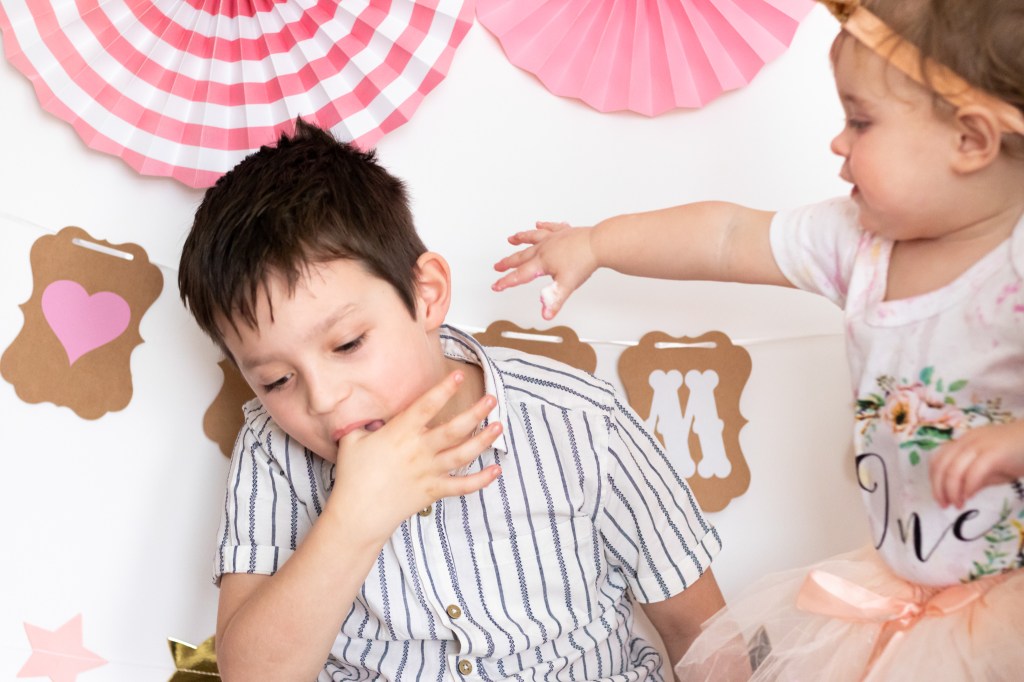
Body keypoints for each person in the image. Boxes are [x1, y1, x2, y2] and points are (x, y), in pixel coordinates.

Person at [492, 0, 1024, 678]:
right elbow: (728, 236)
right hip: (907, 590)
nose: (838, 143)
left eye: (861, 122)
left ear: (971, 140)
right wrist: (597, 243)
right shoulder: (861, 245)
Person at [177, 119, 727, 681]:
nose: (323, 399)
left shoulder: (583, 423)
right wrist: (353, 519)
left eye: (347, 344)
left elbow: (702, 634)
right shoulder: (272, 450)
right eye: (276, 380)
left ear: (426, 295)